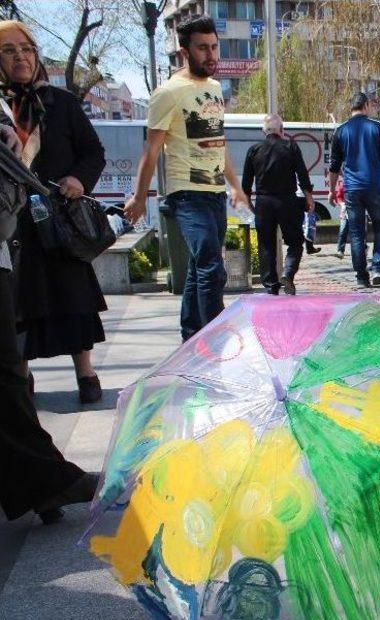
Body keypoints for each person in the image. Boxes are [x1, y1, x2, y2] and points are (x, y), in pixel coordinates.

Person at [0, 20, 107, 405]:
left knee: (74, 297)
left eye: (26, 49)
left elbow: (94, 152)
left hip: (59, 218)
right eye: (9, 51)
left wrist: (79, 179)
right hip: (13, 224)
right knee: (20, 304)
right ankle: (21, 381)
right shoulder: (0, 108)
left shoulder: (60, 102)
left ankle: (87, 374)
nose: (20, 57)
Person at [124, 15, 248, 342]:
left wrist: (235, 187)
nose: (211, 55)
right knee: (211, 265)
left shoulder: (212, 89)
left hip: (213, 192)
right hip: (186, 193)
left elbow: (219, 146)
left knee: (197, 268)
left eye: (214, 47)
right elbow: (151, 151)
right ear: (184, 52)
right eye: (202, 48)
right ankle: (217, 341)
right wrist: (139, 197)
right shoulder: (168, 93)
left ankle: (191, 336)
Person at [0, 120, 98, 525]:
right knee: (6, 377)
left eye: (28, 49)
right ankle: (45, 480)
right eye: (11, 50)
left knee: (7, 376)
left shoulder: (51, 107)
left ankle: (43, 481)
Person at [242, 113, 313, 296]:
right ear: (282, 130)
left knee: (266, 245)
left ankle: (271, 286)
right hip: (287, 201)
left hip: (264, 202)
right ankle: (288, 273)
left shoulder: (254, 150)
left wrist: (250, 202)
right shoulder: (290, 147)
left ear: (263, 131)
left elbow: (246, 183)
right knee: (296, 240)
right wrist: (308, 197)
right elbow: (302, 174)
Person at [329, 92, 380, 288]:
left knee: (357, 233)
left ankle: (361, 276)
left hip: (352, 189)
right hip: (374, 186)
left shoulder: (340, 131)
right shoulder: (377, 128)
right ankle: (376, 268)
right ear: (366, 106)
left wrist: (332, 190)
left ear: (352, 107)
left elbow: (334, 165)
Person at [334, 177, 349, 258]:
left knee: (358, 233)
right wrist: (342, 204)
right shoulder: (343, 185)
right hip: (345, 211)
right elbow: (339, 197)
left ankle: (363, 248)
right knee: (342, 230)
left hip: (357, 211)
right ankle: (340, 250)